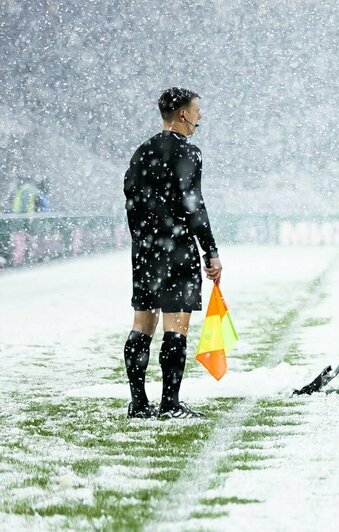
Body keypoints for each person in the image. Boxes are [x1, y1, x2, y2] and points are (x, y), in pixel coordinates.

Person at [122, 87, 222, 418]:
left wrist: (143, 239)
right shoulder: (188, 153)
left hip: (147, 249)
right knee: (176, 327)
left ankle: (138, 404)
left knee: (142, 324)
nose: (200, 117)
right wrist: (211, 251)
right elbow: (194, 206)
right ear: (182, 114)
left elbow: (130, 199)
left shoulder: (142, 151)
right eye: (196, 111)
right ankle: (169, 404)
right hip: (178, 248)